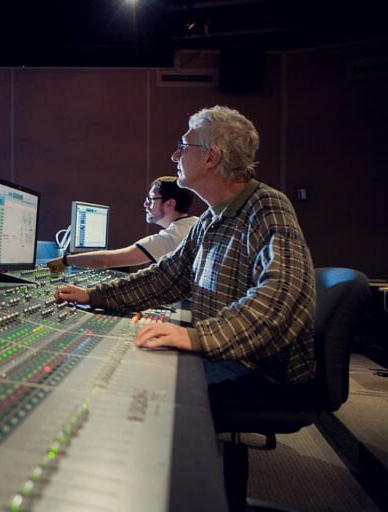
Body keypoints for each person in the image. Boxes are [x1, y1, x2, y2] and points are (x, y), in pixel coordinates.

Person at [54, 105, 316, 402]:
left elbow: (282, 295)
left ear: (211, 156)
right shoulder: (209, 220)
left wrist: (198, 337)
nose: (174, 156)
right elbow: (167, 277)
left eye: (183, 147)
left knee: (129, 388)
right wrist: (94, 296)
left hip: (260, 370)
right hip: (224, 353)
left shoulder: (267, 206)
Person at [47, 176, 198, 272]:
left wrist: (65, 261)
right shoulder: (192, 224)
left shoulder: (172, 237)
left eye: (151, 198)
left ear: (170, 204)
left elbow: (106, 260)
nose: (145, 204)